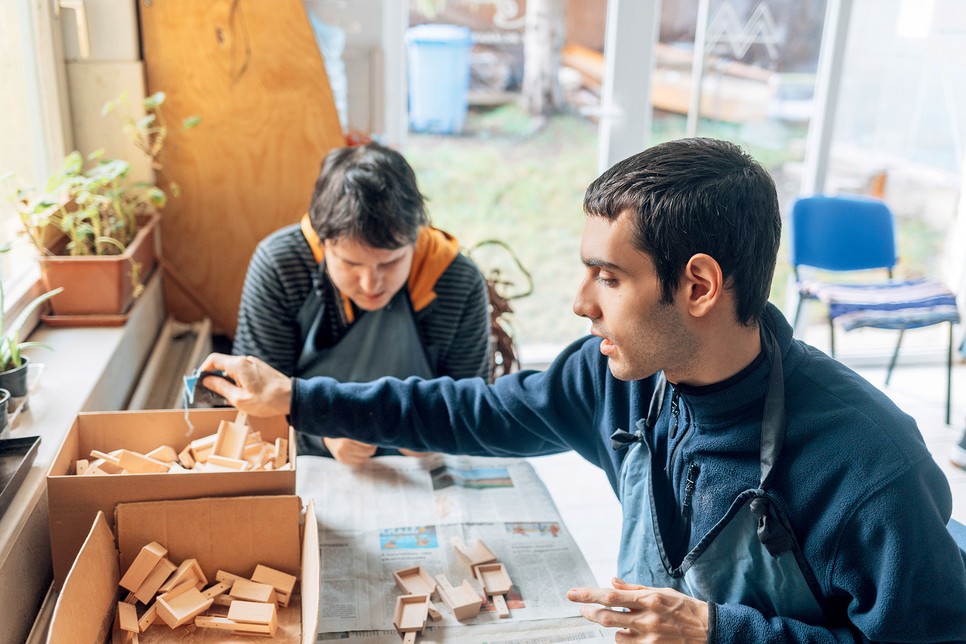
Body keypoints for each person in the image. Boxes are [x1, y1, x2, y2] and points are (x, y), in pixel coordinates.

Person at [203, 138, 966, 642]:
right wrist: (301, 400)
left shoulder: (870, 467)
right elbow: (471, 410)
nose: (580, 302)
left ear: (697, 285)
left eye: (609, 276)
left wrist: (717, 631)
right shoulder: (616, 378)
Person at [232, 142, 490, 464]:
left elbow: (474, 407)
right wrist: (321, 434)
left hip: (418, 464)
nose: (371, 285)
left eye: (390, 263)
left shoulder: (455, 279)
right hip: (311, 460)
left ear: (416, 238)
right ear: (322, 242)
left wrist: (440, 433)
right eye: (351, 264)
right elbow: (254, 403)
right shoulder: (281, 265)